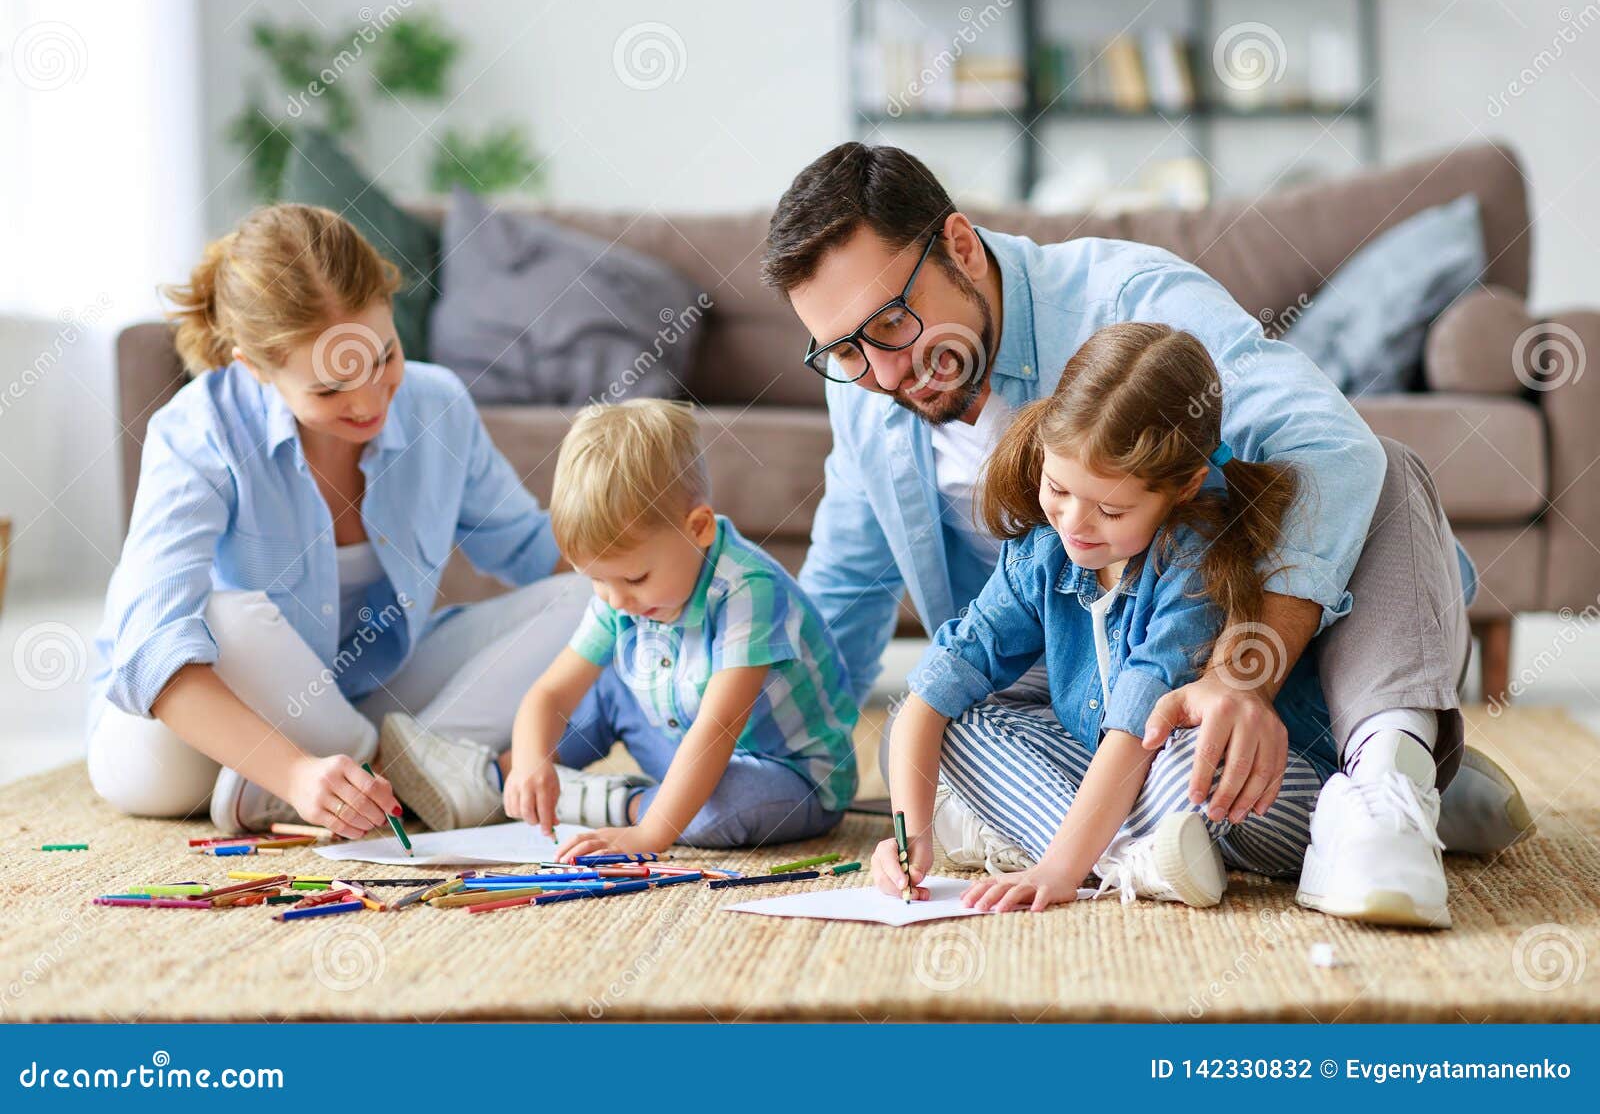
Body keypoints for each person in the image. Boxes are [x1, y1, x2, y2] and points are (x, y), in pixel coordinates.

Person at [765, 142, 1529, 928]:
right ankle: (1362, 785)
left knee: (1385, 464)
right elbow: (848, 591)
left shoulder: (1126, 298)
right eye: (845, 351)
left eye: (892, 323)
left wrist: (1242, 676)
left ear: (959, 245)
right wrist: (759, 759)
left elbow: (1328, 446)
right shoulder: (867, 396)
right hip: (1060, 687)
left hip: (1207, 649)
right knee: (943, 733)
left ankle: (1381, 768)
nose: (885, 376)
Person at [86, 203, 591, 838]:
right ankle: (372, 779)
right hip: (178, 749)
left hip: (357, 703)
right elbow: (151, 650)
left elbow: (531, 547)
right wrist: (295, 773)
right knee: (223, 615)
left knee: (587, 597)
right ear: (256, 368)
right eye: (328, 389)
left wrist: (684, 574)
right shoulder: (200, 430)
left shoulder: (438, 405)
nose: (369, 400)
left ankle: (389, 775)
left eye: (383, 358)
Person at [874, 322, 1334, 913]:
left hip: (1232, 779)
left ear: (1185, 487)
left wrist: (1059, 870)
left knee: (1189, 765)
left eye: (1111, 510)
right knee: (959, 730)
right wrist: (911, 831)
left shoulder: (1191, 560)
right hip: (1114, 773)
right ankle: (1130, 860)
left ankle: (1085, 854)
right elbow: (934, 691)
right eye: (1057, 488)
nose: (1073, 525)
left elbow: (1136, 735)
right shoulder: (1041, 551)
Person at [407, 398, 859, 854]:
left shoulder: (749, 590)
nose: (616, 600)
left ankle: (617, 802)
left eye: (635, 578)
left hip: (786, 777)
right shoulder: (620, 595)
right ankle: (501, 780)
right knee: (604, 689)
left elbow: (717, 731)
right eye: (597, 580)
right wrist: (530, 760)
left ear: (698, 528)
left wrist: (650, 834)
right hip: (681, 746)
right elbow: (549, 694)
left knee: (720, 810)